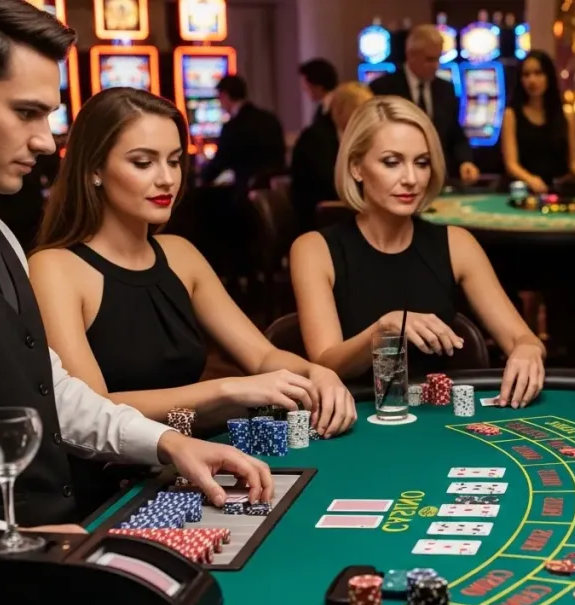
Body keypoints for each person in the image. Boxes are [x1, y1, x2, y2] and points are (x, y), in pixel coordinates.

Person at [0, 0, 271, 605]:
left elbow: (48, 389)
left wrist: (166, 442)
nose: (47, 142)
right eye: (25, 113)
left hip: (51, 560)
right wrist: (0, 541)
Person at [28, 87, 355, 513]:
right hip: (107, 487)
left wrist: (317, 373)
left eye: (175, 160)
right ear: (94, 169)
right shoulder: (54, 267)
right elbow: (93, 406)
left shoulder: (181, 254)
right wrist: (223, 389)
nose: (167, 178)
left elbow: (261, 357)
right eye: (143, 162)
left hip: (190, 467)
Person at [289, 96, 545, 406]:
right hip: (354, 418)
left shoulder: (457, 244)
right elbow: (326, 364)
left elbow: (522, 337)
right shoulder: (314, 250)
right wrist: (386, 328)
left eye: (421, 163)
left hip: (439, 424)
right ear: (356, 167)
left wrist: (529, 348)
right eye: (391, 162)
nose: (411, 179)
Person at [370, 24, 480, 185]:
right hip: (399, 178)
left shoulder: (446, 88)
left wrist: (466, 161)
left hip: (440, 178)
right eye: (430, 59)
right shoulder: (383, 88)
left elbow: (455, 134)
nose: (435, 65)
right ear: (411, 55)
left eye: (438, 59)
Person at [501, 50, 575, 194]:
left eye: (538, 73)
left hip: (557, 190)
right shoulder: (511, 114)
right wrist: (531, 180)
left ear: (549, 76)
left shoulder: (567, 115)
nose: (532, 80)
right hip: (524, 191)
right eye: (526, 75)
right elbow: (511, 164)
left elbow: (572, 162)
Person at [291, 81, 372, 221]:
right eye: (359, 111)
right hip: (321, 218)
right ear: (339, 110)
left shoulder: (363, 136)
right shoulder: (314, 139)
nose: (365, 119)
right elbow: (330, 184)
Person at [198, 74, 286, 192]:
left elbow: (218, 165)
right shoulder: (270, 118)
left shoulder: (233, 127)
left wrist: (201, 175)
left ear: (225, 95)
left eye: (219, 98)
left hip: (247, 194)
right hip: (275, 192)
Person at [299, 57, 339, 132]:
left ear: (318, 86)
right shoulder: (323, 107)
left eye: (306, 85)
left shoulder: (338, 109)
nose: (304, 88)